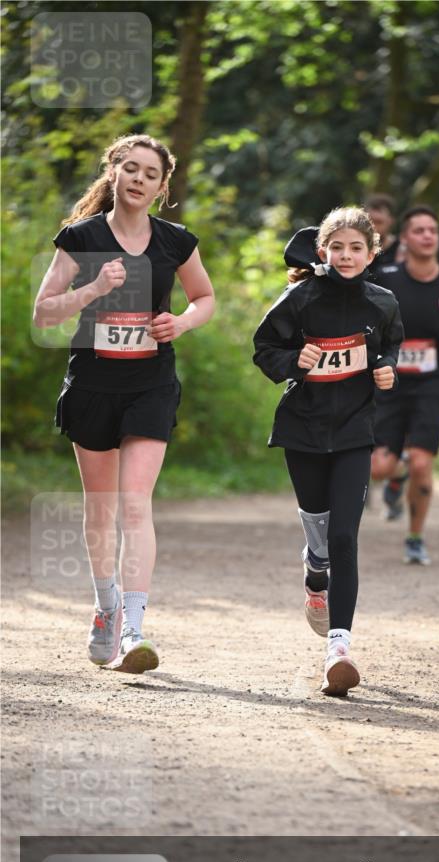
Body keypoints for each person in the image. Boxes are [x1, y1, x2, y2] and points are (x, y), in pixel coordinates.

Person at [33, 134, 215, 672]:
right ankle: (106, 606)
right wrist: (90, 290)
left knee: (136, 502)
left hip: (150, 383)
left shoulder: (175, 242)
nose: (138, 179)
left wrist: (179, 322)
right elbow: (44, 313)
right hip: (92, 384)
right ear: (113, 172)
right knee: (102, 510)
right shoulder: (82, 237)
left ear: (162, 187)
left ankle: (135, 630)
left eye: (150, 173)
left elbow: (205, 298)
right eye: (129, 168)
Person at [253, 208, 403, 697]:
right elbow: (263, 347)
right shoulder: (301, 297)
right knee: (319, 530)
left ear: (371, 254)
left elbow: (390, 347)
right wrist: (294, 360)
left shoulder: (382, 303)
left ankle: (338, 649)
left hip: (355, 431)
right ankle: (313, 571)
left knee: (344, 537)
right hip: (303, 428)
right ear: (323, 252)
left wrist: (387, 371)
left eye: (355, 248)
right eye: (336, 247)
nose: (345, 255)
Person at [370, 206, 439, 565]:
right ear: (405, 239)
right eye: (418, 230)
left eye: (433, 230)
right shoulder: (386, 279)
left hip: (435, 382)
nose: (427, 235)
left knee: (423, 463)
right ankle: (397, 473)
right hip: (390, 380)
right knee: (379, 468)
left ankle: (415, 537)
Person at [365, 193, 404, 273]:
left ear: (391, 221)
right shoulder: (357, 248)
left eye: (379, 222)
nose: (373, 227)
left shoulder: (402, 249)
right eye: (369, 222)